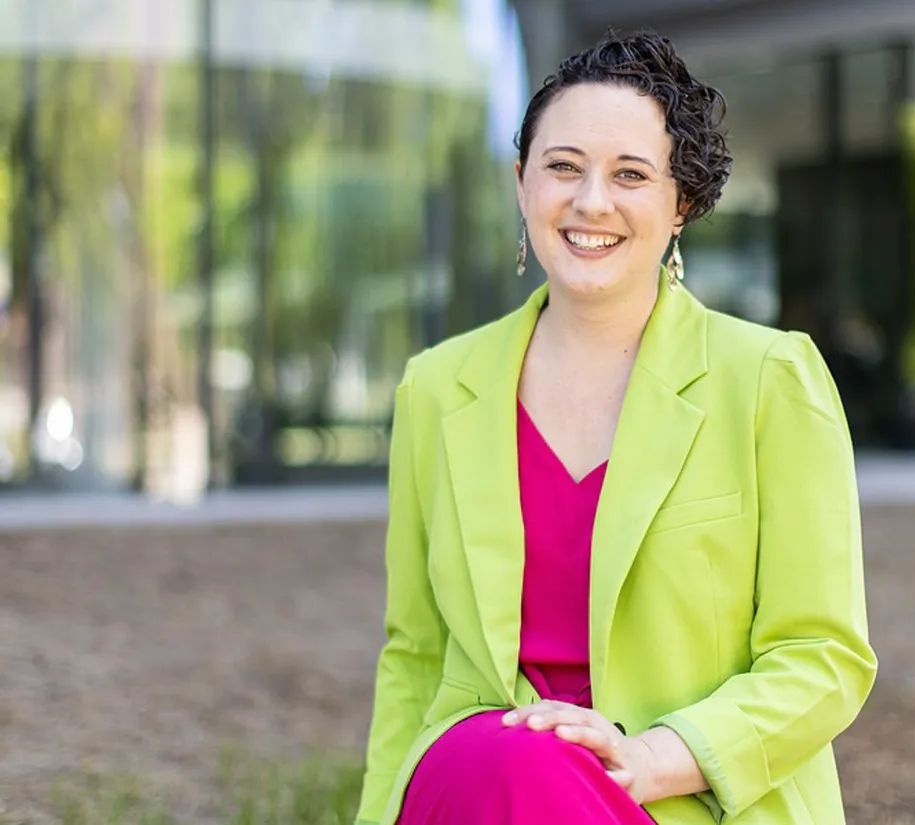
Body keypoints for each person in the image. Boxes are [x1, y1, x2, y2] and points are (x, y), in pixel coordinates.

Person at [355, 30, 877, 825]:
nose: (591, 201)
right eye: (563, 166)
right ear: (521, 183)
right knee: (513, 753)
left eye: (630, 175)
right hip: (476, 780)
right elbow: (415, 655)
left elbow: (823, 656)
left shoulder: (771, 379)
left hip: (684, 792)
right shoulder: (435, 387)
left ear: (682, 205)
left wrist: (653, 756)